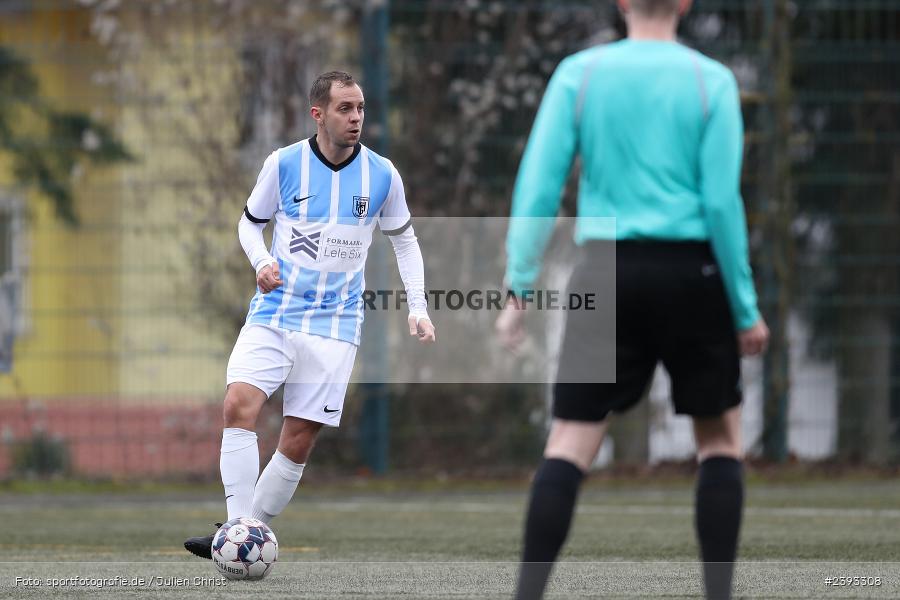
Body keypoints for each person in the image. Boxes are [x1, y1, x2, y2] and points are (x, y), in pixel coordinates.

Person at [495, 1, 769, 599]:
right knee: (720, 442)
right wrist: (745, 308)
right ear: (686, 2)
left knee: (569, 443)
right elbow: (722, 203)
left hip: (605, 271)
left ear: (621, 2)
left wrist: (519, 284)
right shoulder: (712, 81)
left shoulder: (580, 74)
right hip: (691, 272)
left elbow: (539, 183)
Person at [185, 71, 435, 558]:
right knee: (238, 404)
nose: (356, 117)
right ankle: (237, 530)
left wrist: (418, 307)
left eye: (361, 107)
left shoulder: (382, 174)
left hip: (336, 324)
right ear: (318, 114)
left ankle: (245, 532)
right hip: (276, 312)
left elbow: (404, 240)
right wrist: (261, 263)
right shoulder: (283, 164)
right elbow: (249, 225)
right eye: (345, 108)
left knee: (298, 437)